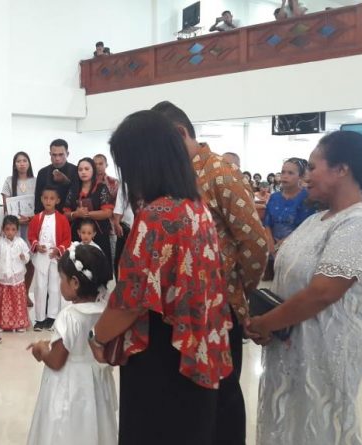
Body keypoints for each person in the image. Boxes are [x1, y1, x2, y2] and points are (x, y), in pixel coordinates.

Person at [91, 110, 233, 444]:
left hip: (160, 355)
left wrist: (97, 339)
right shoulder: (196, 208)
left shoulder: (157, 216)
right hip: (194, 346)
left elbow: (130, 300)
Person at [247, 131, 362, 445]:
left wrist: (266, 323)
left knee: (318, 426)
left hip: (326, 345)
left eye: (312, 167)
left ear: (342, 169)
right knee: (288, 422)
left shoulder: (359, 222)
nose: (306, 177)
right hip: (291, 342)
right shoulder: (317, 220)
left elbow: (323, 292)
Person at [152, 100, 269, 445]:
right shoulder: (174, 175)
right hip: (182, 309)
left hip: (221, 306)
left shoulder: (220, 172)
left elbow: (254, 242)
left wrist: (238, 291)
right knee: (192, 400)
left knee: (223, 396)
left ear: (180, 133)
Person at [27, 243, 118, 445]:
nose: (60, 283)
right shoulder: (104, 311)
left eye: (62, 278)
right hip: (95, 384)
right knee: (94, 425)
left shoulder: (69, 316)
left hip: (70, 385)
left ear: (75, 282)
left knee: (66, 427)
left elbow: (57, 360)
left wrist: (41, 350)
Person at [262, 158, 316, 281]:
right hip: (273, 248)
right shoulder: (274, 197)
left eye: (290, 173)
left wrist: (284, 244)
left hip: (298, 249)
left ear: (300, 177)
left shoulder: (307, 198)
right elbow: (267, 223)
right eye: (283, 172)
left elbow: (307, 227)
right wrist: (271, 245)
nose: (285, 176)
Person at [28, 186, 73, 331]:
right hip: (41, 255)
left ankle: (52, 317)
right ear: (41, 199)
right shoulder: (36, 218)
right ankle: (39, 318)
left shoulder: (62, 219)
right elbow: (31, 235)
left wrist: (58, 250)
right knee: (40, 286)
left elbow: (67, 239)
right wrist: (36, 245)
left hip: (55, 256)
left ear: (57, 200)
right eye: (46, 198)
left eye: (52, 198)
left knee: (54, 287)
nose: (48, 201)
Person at [64, 157, 114, 269]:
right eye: (80, 169)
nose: (83, 172)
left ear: (93, 170)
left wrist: (87, 214)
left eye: (87, 169)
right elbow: (65, 214)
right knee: (78, 268)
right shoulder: (73, 189)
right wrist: (76, 214)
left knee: (99, 269)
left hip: (98, 235)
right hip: (77, 235)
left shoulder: (101, 188)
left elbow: (108, 212)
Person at [0, 215, 31, 332]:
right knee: (3, 301)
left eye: (13, 229)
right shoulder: (0, 241)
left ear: (17, 230)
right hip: (4, 276)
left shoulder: (20, 242)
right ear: (3, 229)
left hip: (17, 276)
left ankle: (20, 324)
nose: (10, 232)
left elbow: (27, 255)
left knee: (17, 301)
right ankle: (1, 324)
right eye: (7, 229)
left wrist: (24, 257)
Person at [34, 139, 80, 214]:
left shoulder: (76, 171)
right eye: (54, 155)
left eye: (61, 154)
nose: (57, 158)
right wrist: (38, 217)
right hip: (47, 216)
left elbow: (79, 195)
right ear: (50, 154)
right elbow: (38, 200)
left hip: (71, 217)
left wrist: (66, 182)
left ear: (67, 154)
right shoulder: (42, 172)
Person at [2, 151, 36, 239]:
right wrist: (16, 220)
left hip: (31, 222)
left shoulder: (36, 181)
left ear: (29, 164)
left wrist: (30, 218)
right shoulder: (9, 181)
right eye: (18, 161)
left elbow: (39, 204)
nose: (22, 164)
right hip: (13, 225)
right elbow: (6, 205)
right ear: (14, 165)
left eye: (25, 161)